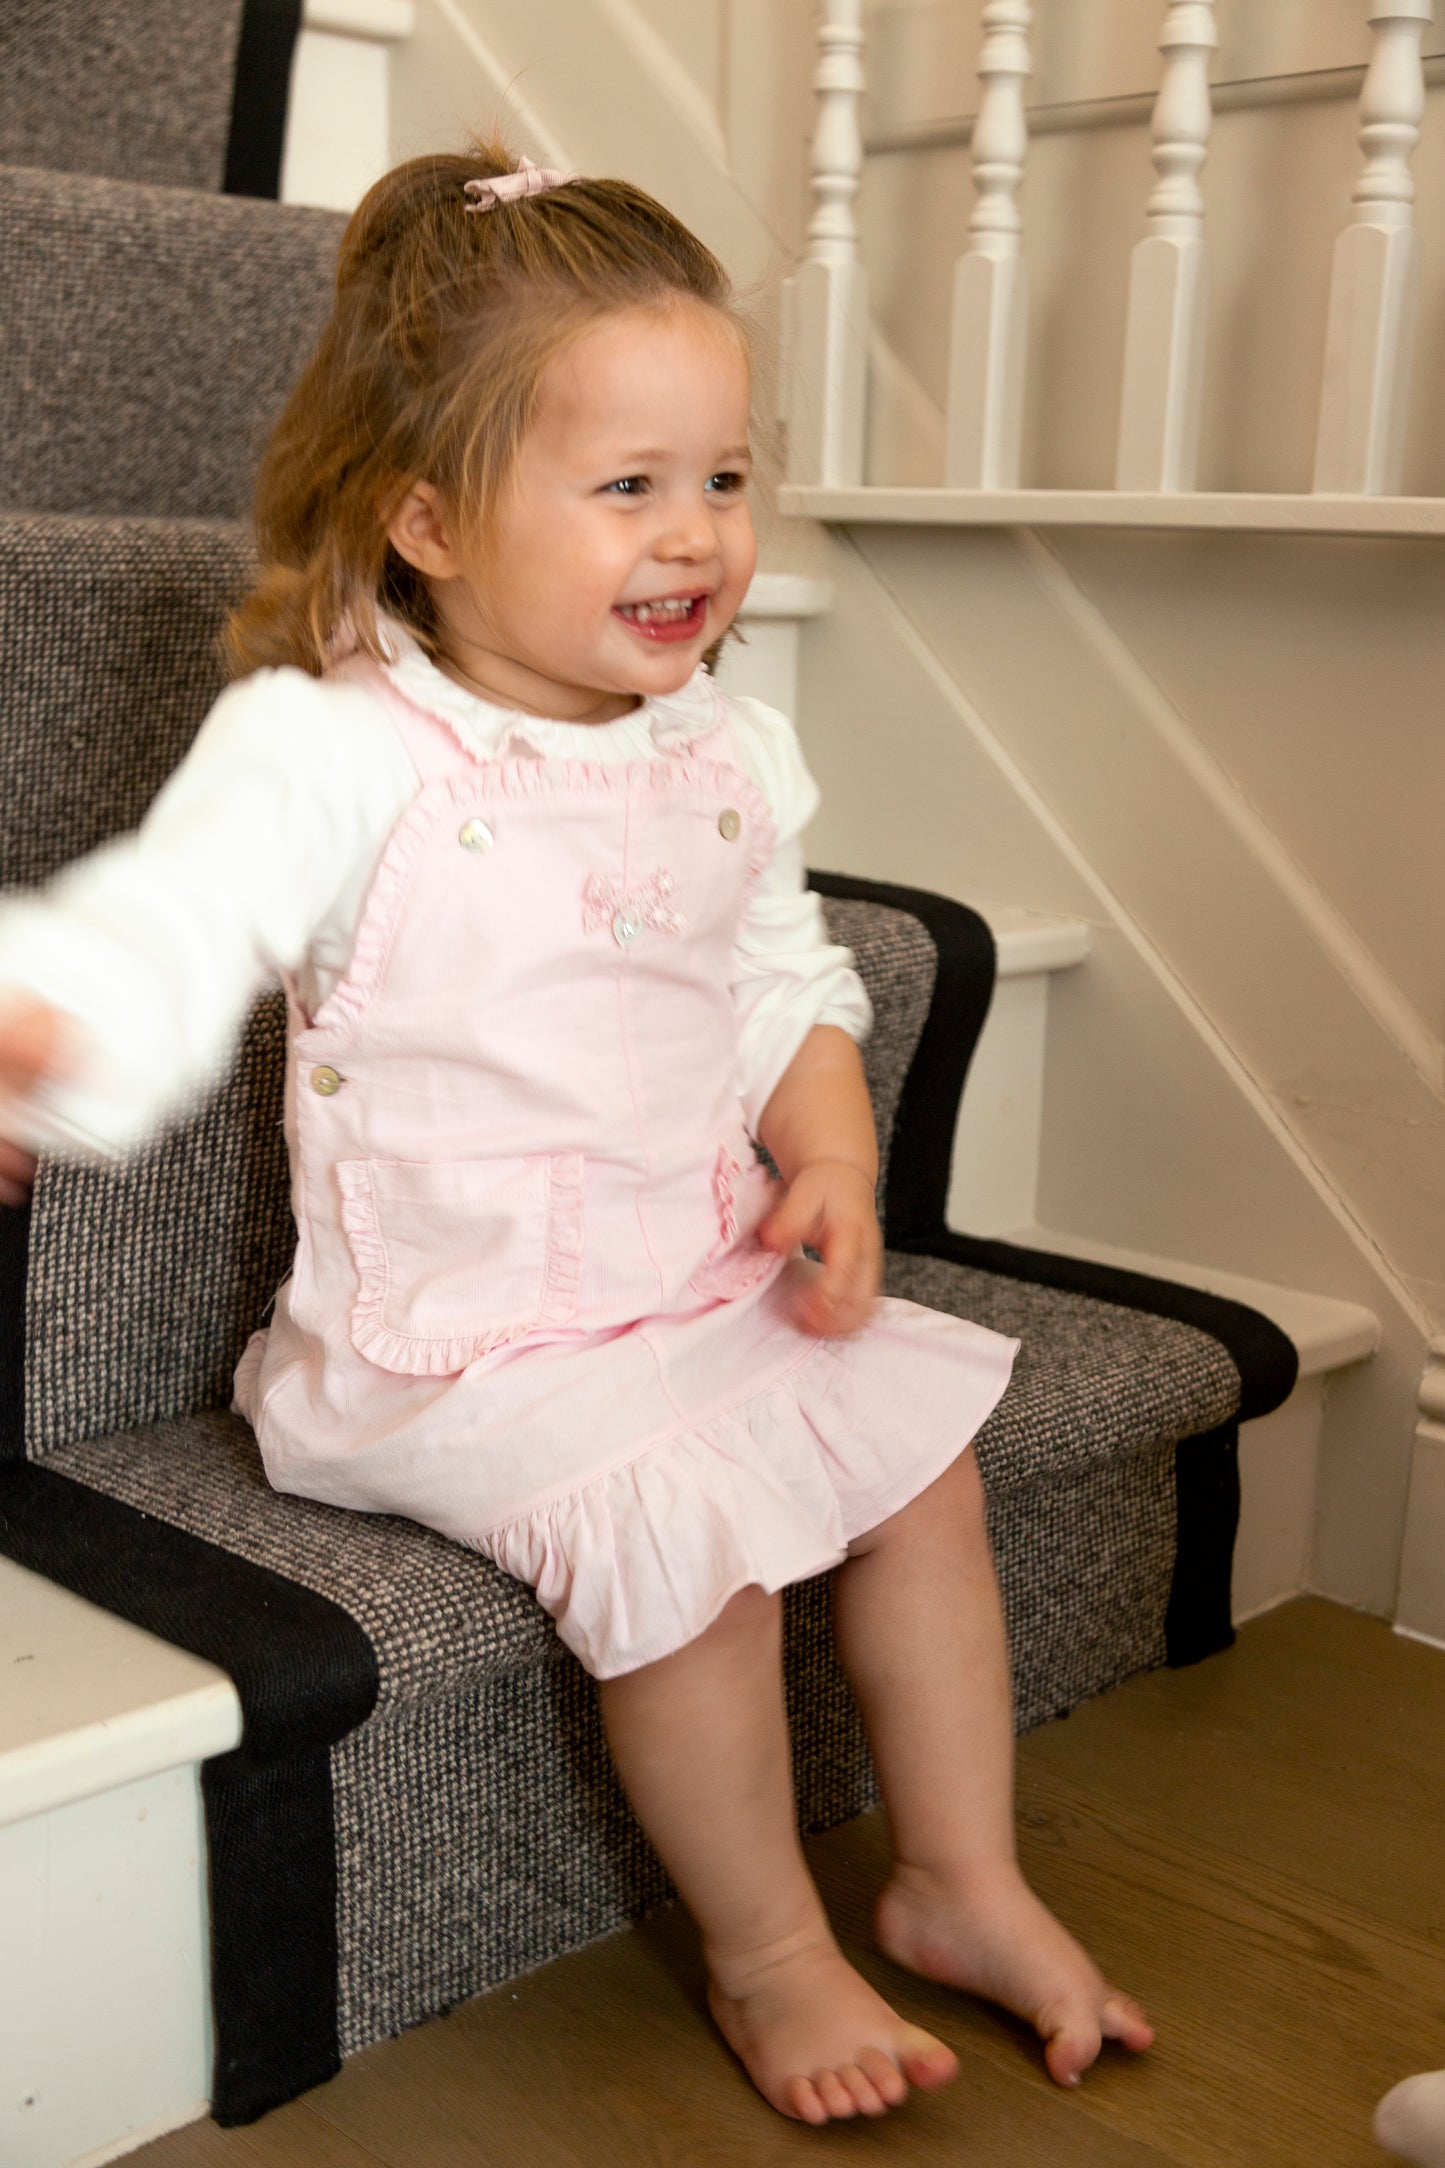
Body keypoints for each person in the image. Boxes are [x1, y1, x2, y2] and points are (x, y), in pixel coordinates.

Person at [0, 142, 1153, 2126]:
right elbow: (176, 914)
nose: (694, 535)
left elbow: (778, 972)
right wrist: (47, 1028)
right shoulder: (340, 742)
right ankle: (773, 1945)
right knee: (694, 1566)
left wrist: (835, 1153)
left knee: (923, 1473)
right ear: (426, 516)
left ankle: (961, 1877)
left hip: (688, 1270)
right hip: (456, 1344)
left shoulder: (715, 741)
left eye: (723, 477)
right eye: (626, 486)